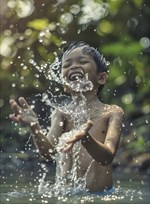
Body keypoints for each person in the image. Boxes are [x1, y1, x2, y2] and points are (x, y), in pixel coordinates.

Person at [9, 41, 124, 194]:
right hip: (69, 196)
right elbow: (48, 153)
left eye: (82, 61)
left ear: (101, 78)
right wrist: (34, 126)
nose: (74, 66)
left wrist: (85, 138)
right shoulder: (61, 113)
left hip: (101, 196)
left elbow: (107, 157)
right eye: (67, 64)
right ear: (64, 84)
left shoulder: (112, 112)